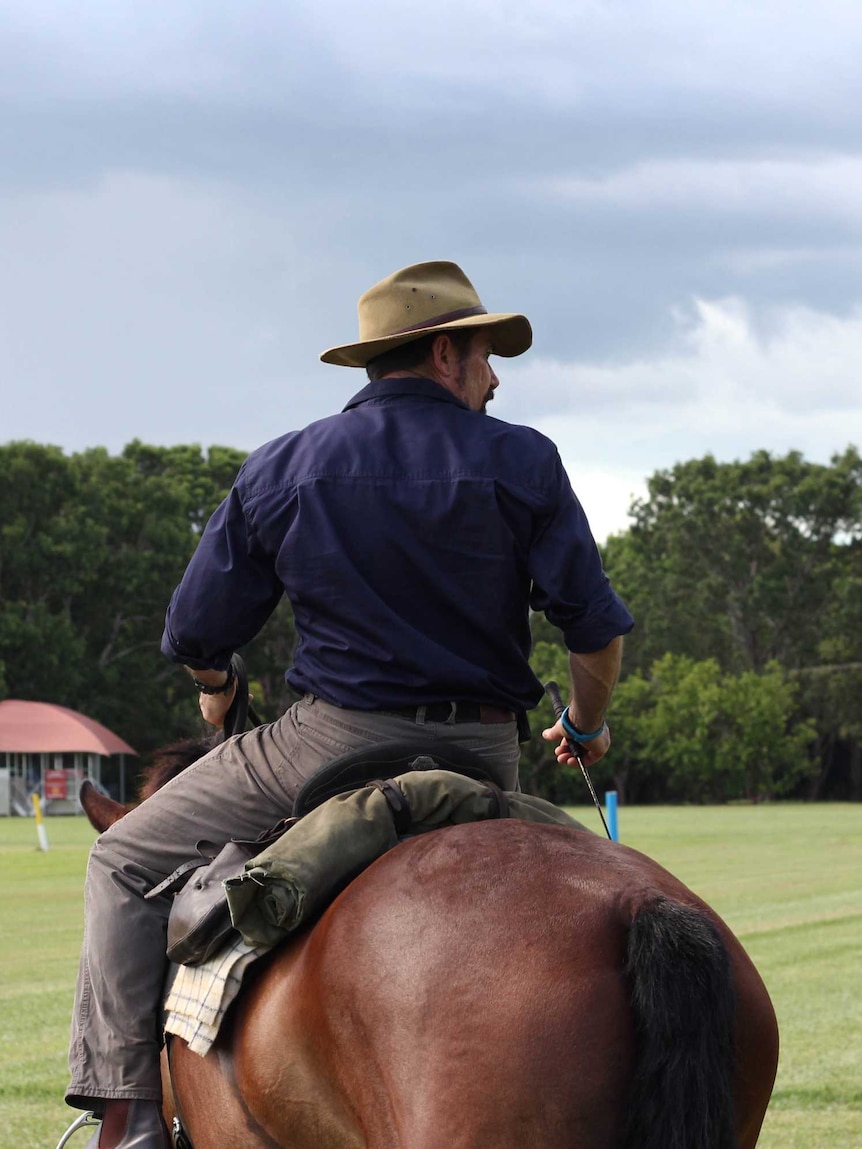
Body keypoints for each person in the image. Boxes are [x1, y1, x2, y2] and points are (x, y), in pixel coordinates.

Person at [66, 260, 633, 1149]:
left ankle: (131, 1120)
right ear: (445, 352)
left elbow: (194, 632)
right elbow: (594, 636)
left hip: (324, 744)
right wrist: (587, 725)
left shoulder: (287, 463)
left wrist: (221, 692)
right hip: (484, 754)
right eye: (486, 353)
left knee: (124, 863)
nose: (495, 374)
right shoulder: (526, 458)